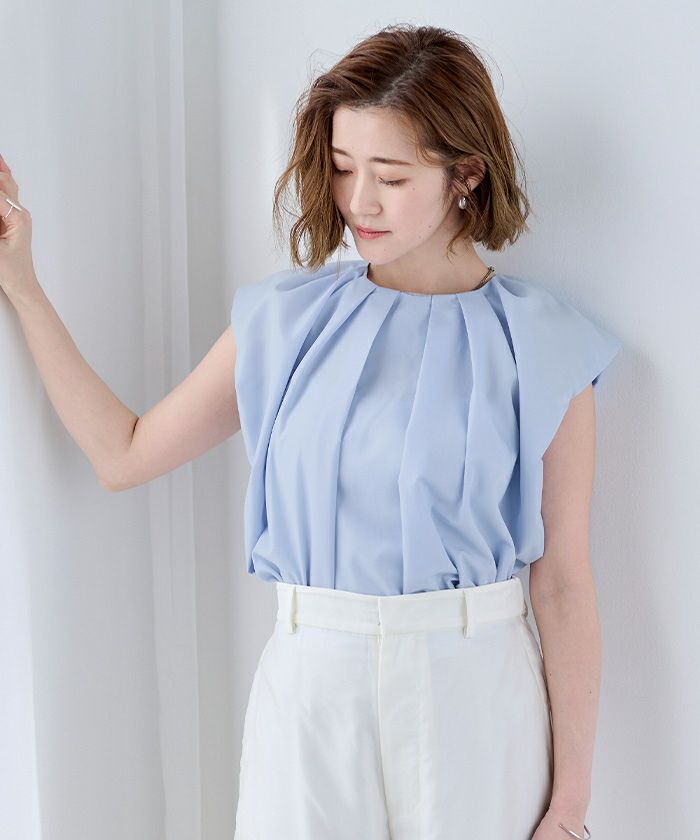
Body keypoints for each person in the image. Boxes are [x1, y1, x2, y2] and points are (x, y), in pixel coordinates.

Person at [0, 23, 620, 840]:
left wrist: (569, 805)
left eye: (391, 176)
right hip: (310, 684)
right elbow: (125, 454)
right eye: (341, 166)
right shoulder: (285, 323)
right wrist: (24, 286)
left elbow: (564, 582)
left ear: (466, 174)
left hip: (475, 689)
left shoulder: (542, 344)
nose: (359, 202)